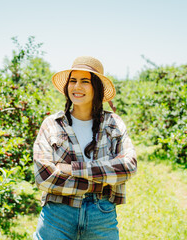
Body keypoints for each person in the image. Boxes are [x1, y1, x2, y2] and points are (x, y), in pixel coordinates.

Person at [32, 56, 137, 240]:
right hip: (57, 215)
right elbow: (44, 177)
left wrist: (72, 169)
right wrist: (100, 181)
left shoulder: (113, 124)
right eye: (73, 81)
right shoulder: (52, 125)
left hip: (101, 215)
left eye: (85, 81)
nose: (77, 87)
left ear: (96, 87)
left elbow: (128, 166)